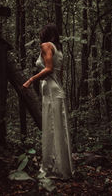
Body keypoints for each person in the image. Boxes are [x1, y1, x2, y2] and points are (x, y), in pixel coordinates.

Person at [22, 23, 74, 180]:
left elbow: (49, 68)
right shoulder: (58, 49)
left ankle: (53, 169)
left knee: (52, 128)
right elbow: (59, 72)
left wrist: (30, 79)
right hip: (57, 89)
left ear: (44, 34)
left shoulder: (45, 46)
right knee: (58, 128)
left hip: (51, 90)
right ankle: (62, 169)